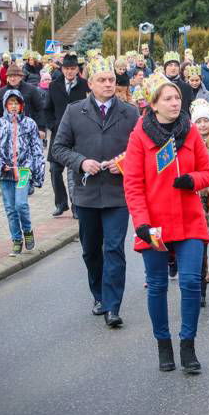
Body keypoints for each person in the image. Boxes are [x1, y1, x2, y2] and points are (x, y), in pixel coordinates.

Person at [123, 81, 209, 373]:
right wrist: (141, 222)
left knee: (190, 283)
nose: (175, 103)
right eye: (168, 99)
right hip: (155, 223)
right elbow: (133, 184)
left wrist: (193, 181)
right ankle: (164, 344)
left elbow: (208, 172)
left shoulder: (190, 132)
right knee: (158, 285)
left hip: (189, 219)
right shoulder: (139, 137)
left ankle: (188, 345)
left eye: (178, 98)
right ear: (154, 104)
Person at [51, 58, 139, 328]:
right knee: (91, 250)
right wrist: (81, 162)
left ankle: (113, 306)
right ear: (90, 84)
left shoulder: (130, 113)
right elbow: (58, 148)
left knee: (114, 249)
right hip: (86, 194)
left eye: (111, 79)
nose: (108, 84)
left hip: (116, 194)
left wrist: (122, 163)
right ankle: (99, 295)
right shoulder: (75, 111)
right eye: (102, 80)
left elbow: (140, 150)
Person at [0, 90, 46, 255]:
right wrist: (0, 165)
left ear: (21, 105)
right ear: (5, 105)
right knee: (10, 208)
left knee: (21, 204)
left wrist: (38, 174)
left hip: (23, 171)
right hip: (5, 174)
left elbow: (36, 149)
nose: (14, 106)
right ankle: (16, 239)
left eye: (16, 103)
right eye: (10, 103)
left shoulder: (29, 124)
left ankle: (27, 230)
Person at [44, 53, 90, 218]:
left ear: (77, 69)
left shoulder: (85, 86)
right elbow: (47, 108)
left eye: (72, 69)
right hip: (58, 134)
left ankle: (76, 206)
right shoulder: (54, 86)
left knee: (75, 171)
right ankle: (61, 203)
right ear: (62, 70)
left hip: (78, 134)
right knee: (55, 170)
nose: (69, 72)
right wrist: (52, 125)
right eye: (67, 69)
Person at [191, 99, 209, 307]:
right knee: (202, 236)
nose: (202, 125)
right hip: (198, 195)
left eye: (205, 121)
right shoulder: (189, 142)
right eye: (198, 122)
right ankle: (203, 273)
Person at [0, 62, 46, 138]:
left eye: (15, 76)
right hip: (7, 130)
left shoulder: (31, 90)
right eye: (10, 76)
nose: (12, 78)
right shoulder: (2, 92)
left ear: (21, 77)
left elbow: (40, 109)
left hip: (28, 129)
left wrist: (41, 128)